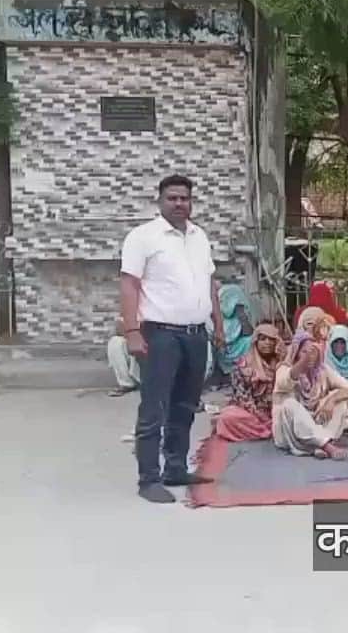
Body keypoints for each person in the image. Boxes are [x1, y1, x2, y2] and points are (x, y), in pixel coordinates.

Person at [120, 174, 224, 504]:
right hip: (160, 335)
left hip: (196, 334)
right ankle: (148, 478)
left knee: (185, 406)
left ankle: (176, 468)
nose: (179, 204)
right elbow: (129, 285)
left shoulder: (199, 236)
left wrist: (217, 326)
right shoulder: (143, 237)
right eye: (172, 198)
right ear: (160, 201)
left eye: (185, 198)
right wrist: (132, 331)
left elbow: (210, 283)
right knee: (154, 407)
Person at [272, 332, 348, 460]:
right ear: (296, 353)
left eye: (313, 353)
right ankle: (327, 446)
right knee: (289, 405)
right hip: (289, 433)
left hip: (316, 424)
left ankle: (317, 444)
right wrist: (303, 362)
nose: (309, 357)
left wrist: (331, 401)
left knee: (339, 400)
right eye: (304, 352)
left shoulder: (322, 371)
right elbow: (287, 380)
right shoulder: (284, 369)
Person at [214, 324, 285, 442]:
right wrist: (259, 415)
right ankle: (270, 429)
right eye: (263, 339)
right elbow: (242, 397)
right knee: (227, 417)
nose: (267, 343)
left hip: (278, 410)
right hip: (252, 412)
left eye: (271, 339)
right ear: (255, 342)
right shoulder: (243, 365)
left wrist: (283, 360)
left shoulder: (283, 362)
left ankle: (276, 427)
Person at [216, 283, 255, 377]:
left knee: (250, 340)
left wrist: (240, 312)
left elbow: (248, 331)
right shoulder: (216, 317)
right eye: (222, 301)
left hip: (239, 344)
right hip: (222, 348)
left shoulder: (240, 314)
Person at [107, 318, 141, 395]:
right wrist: (132, 338)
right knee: (115, 341)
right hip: (137, 341)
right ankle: (127, 383)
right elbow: (120, 325)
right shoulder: (132, 308)